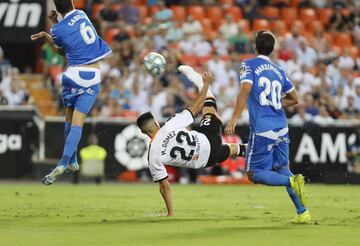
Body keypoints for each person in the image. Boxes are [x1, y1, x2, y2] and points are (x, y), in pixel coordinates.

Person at [225, 31, 311, 224]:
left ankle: (291, 181)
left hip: (263, 128)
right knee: (282, 167)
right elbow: (295, 99)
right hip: (282, 127)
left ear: (255, 47)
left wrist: (233, 119)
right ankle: (303, 212)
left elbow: (245, 89)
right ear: (272, 50)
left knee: (253, 173)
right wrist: (276, 104)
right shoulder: (279, 70)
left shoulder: (248, 65)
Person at [137, 66, 247, 216]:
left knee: (234, 149)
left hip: (206, 161)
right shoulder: (169, 125)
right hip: (208, 140)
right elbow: (196, 106)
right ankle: (195, 78)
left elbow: (164, 186)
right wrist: (206, 84)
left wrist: (170, 212)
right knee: (209, 106)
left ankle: (261, 151)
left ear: (143, 132)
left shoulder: (152, 155)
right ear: (156, 122)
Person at [31, 0, 111, 185]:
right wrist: (56, 22)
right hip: (91, 75)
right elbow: (72, 35)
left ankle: (73, 160)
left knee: (69, 119)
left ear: (57, 10)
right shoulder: (82, 15)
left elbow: (61, 51)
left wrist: (51, 28)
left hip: (71, 75)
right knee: (78, 124)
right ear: (73, 4)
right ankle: (63, 163)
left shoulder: (56, 31)